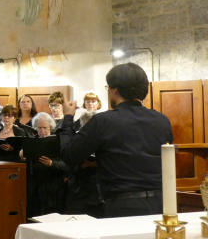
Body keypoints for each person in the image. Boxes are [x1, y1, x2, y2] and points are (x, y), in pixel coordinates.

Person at [58, 63, 174, 218]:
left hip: (122, 207)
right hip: (161, 204)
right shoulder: (162, 121)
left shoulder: (103, 121)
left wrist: (67, 118)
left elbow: (69, 155)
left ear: (114, 90)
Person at [25, 112, 67, 217]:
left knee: (52, 215)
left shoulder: (58, 141)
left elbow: (66, 165)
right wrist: (22, 154)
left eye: (45, 128)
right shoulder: (31, 141)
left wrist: (51, 163)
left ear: (50, 127)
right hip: (35, 185)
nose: (42, 131)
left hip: (53, 185)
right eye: (39, 128)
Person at [64, 111, 104, 218]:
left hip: (98, 189)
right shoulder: (77, 138)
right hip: (78, 188)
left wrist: (93, 164)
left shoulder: (102, 138)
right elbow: (68, 160)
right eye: (85, 124)